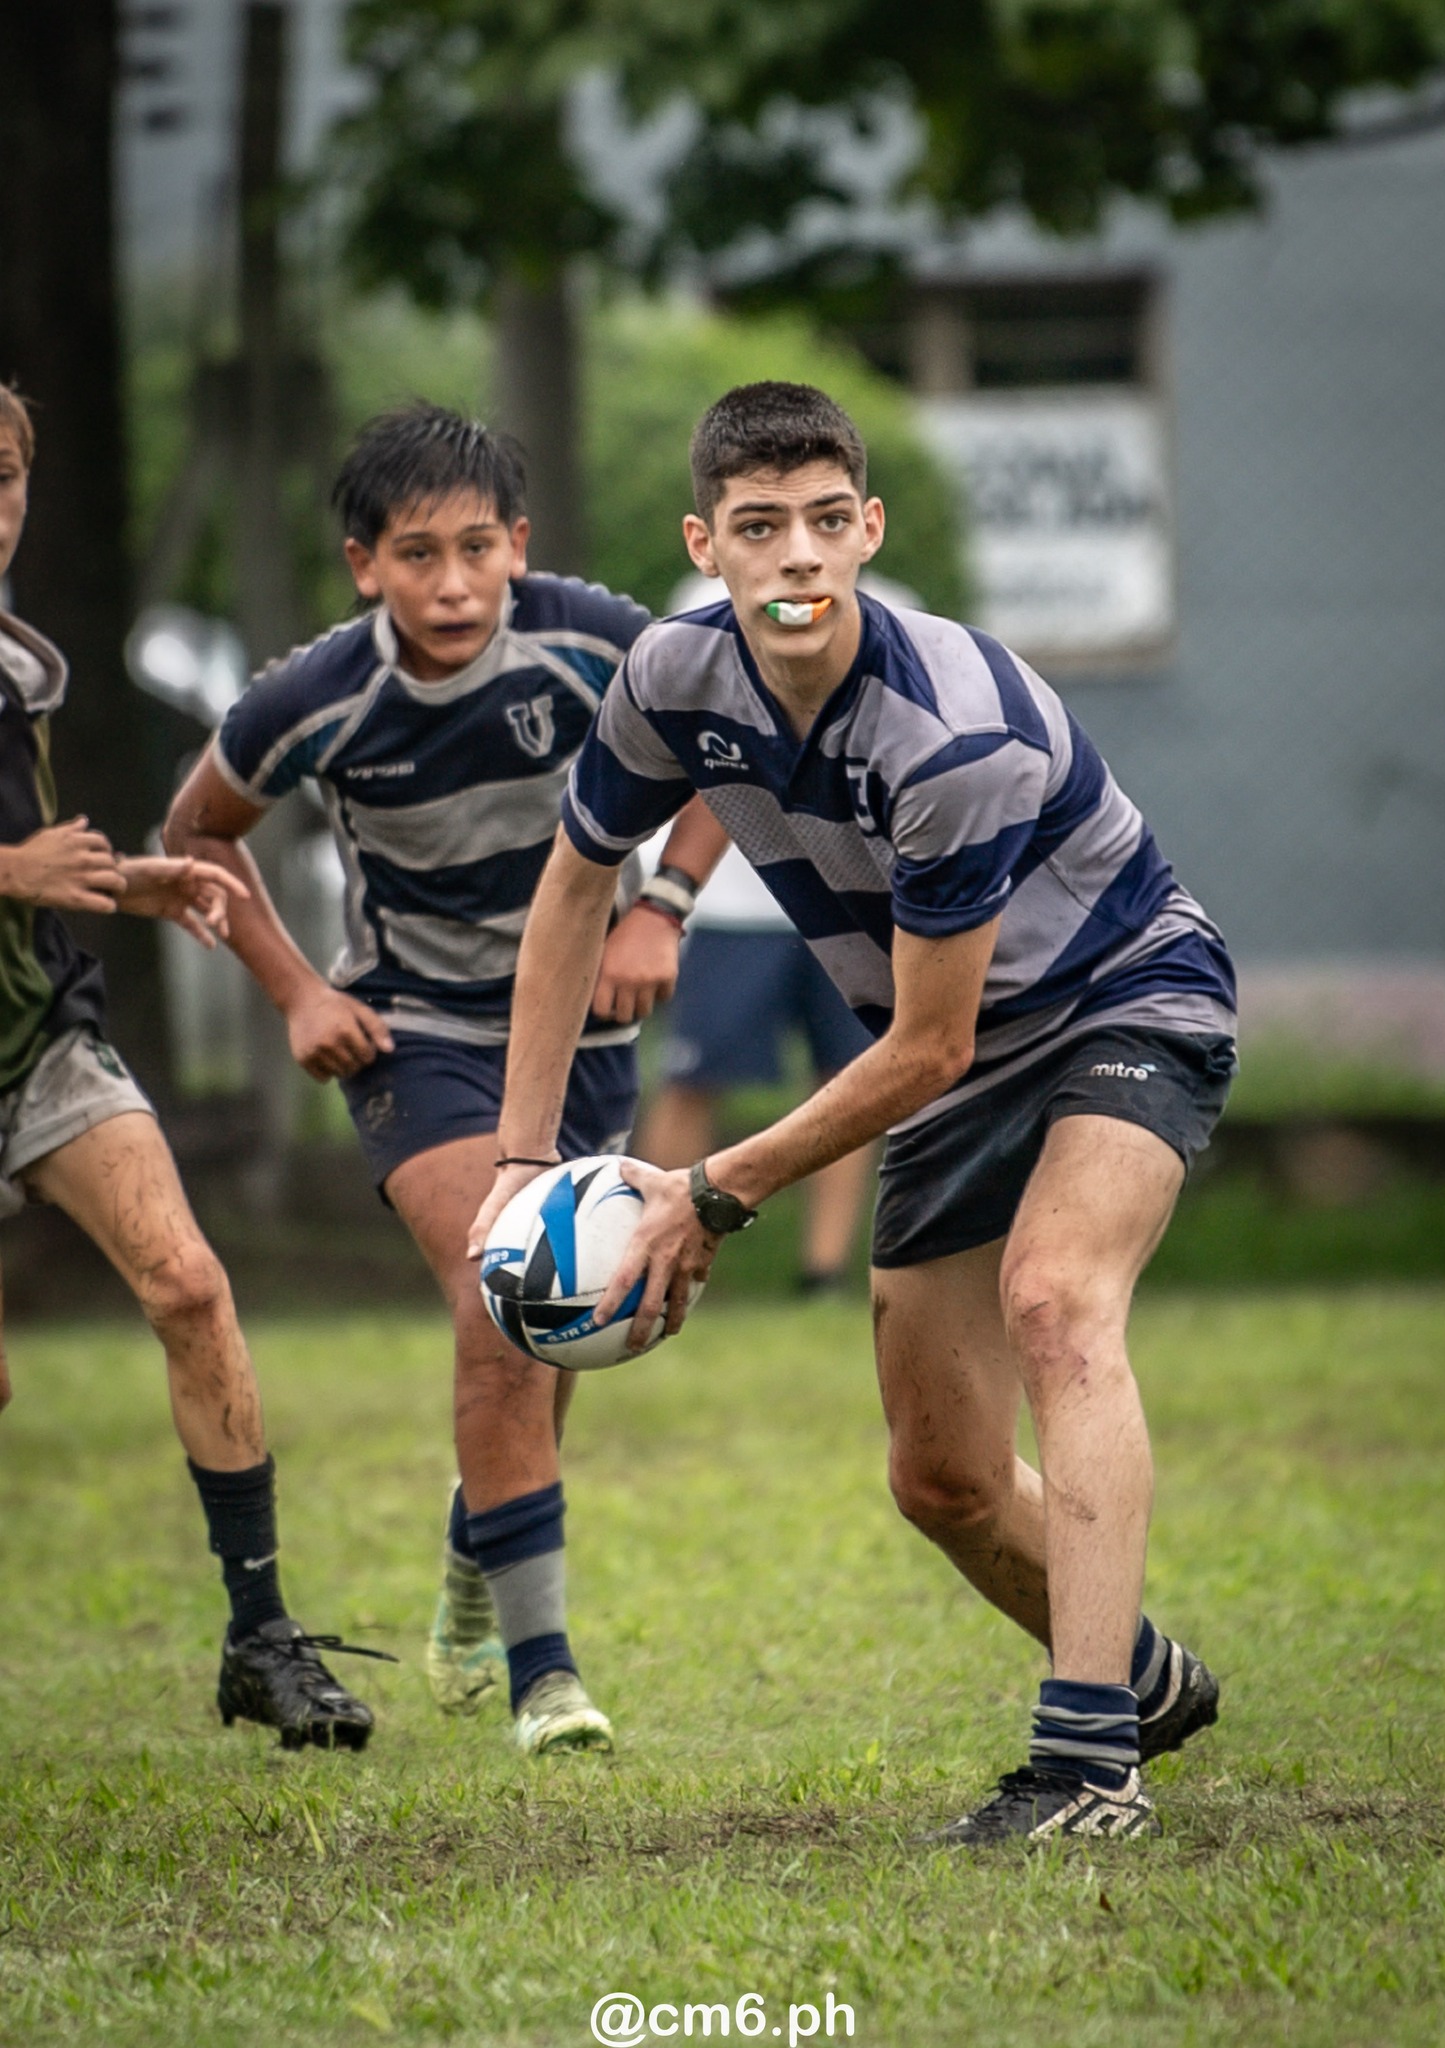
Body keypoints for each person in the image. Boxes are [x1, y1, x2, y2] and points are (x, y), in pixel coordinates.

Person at [469, 381, 1238, 1843]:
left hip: (1120, 998)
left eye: (829, 523)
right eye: (761, 529)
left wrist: (701, 1192)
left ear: (869, 529)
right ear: (710, 545)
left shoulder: (951, 736)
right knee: (939, 1478)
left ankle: (1086, 1768)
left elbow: (935, 1045)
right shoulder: (670, 680)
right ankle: (1136, 1675)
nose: (800, 556)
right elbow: (575, 886)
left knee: (1059, 1304)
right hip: (941, 1047)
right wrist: (521, 1158)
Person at [164, 403, 716, 1755]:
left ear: (519, 545)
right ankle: (547, 1680)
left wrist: (665, 909)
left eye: (478, 548)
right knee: (504, 1299)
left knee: (560, 1326)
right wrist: (300, 990)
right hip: (420, 1040)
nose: (454, 583)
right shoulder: (316, 697)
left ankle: (480, 1555)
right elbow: (191, 835)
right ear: (364, 564)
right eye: (418, 554)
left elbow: (736, 741)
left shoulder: (597, 641)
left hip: (584, 1044)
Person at [0, 382, 383, 1750]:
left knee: (190, 1283)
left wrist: (121, 884)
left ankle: (262, 1637)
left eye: (2, 477)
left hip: (38, 1038)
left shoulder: (16, 660)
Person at [637, 839, 876, 1294]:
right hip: (730, 906)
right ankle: (655, 1253)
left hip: (848, 897)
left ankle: (824, 1274)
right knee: (691, 1079)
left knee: (853, 1077)